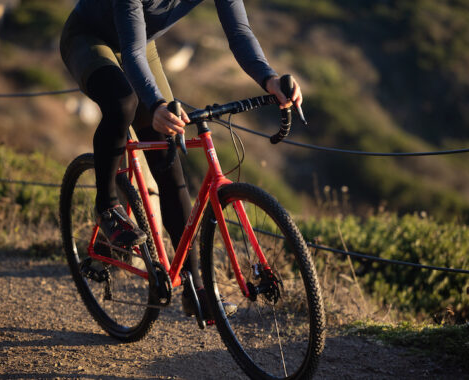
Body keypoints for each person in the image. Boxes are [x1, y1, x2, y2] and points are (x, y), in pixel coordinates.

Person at [60, 0, 302, 318]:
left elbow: (240, 33)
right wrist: (157, 104)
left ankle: (196, 290)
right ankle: (107, 207)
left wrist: (269, 80)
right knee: (122, 102)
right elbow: (130, 53)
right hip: (90, 39)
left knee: (168, 159)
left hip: (141, 47)